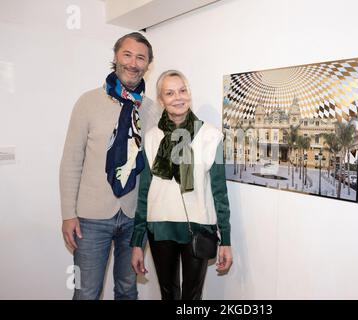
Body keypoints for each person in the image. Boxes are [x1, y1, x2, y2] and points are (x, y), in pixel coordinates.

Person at [60, 32, 162, 300]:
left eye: (140, 58)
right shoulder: (88, 102)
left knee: (128, 291)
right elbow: (71, 160)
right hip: (91, 218)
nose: (133, 63)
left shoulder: (153, 111)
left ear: (147, 65)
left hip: (133, 218)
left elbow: (157, 167)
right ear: (115, 57)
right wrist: (68, 214)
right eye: (127, 54)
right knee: (87, 293)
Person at [130, 70, 233, 300]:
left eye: (182, 90)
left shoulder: (211, 136)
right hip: (159, 228)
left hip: (198, 229)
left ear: (189, 94)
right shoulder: (151, 137)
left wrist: (225, 239)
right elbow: (144, 191)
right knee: (168, 295)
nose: (178, 97)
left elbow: (220, 192)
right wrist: (137, 242)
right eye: (169, 92)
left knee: (192, 298)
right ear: (161, 100)